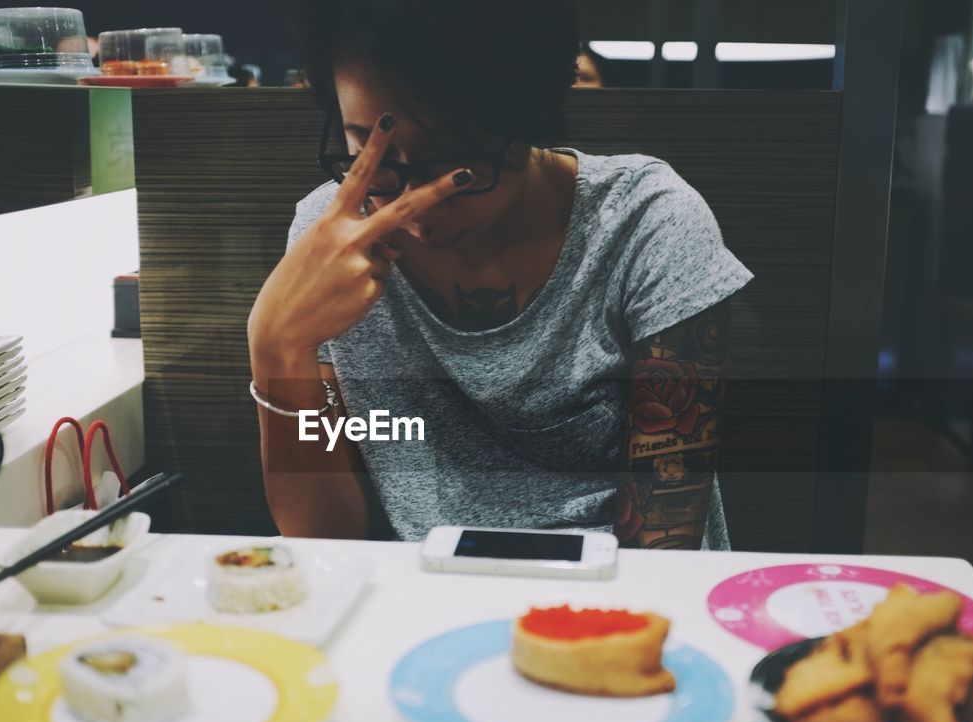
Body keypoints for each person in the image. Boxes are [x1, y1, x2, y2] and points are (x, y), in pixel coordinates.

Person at [247, 0, 752, 550]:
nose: (415, 205)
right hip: (420, 599)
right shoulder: (333, 243)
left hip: (614, 597)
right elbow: (324, 539)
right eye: (372, 152)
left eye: (456, 164)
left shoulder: (645, 222)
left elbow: (664, 542)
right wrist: (277, 349)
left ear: (528, 119)